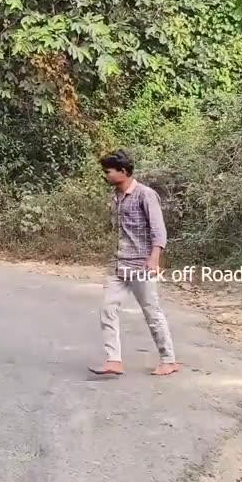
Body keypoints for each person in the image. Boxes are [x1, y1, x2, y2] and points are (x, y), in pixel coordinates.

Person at [89, 150, 179, 376]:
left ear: (123, 171)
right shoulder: (115, 196)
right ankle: (114, 360)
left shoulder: (145, 195)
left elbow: (158, 229)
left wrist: (154, 259)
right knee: (107, 310)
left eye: (108, 171)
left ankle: (168, 360)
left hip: (141, 265)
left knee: (151, 312)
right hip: (118, 264)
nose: (105, 175)